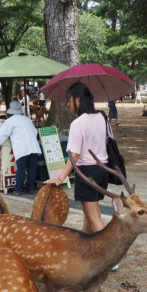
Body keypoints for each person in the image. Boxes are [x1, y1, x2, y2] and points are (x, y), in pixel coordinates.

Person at [44, 83, 113, 233]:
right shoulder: (102, 117)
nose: (68, 104)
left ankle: (109, 251)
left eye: (69, 100)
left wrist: (60, 178)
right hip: (102, 171)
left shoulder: (78, 123)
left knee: (94, 216)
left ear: (78, 99)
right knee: (89, 214)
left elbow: (75, 154)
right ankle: (85, 247)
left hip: (87, 172)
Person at [0, 101, 42, 195]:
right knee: (32, 169)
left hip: (22, 148)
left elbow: (2, 134)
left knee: (21, 169)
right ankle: (30, 188)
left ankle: (18, 190)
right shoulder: (27, 119)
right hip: (33, 146)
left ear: (10, 112)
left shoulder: (9, 121)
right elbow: (35, 131)